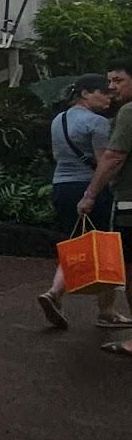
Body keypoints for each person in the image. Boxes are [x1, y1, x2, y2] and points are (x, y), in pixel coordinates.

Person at [39, 74, 124, 327]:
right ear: (86, 94)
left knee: (75, 242)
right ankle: (107, 311)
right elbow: (104, 162)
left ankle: (54, 292)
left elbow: (57, 155)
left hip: (62, 185)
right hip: (89, 187)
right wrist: (95, 192)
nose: (109, 98)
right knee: (105, 245)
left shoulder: (59, 119)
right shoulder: (98, 123)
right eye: (103, 93)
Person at [75, 58, 132, 352]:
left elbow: (113, 157)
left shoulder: (129, 112)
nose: (111, 87)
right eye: (109, 81)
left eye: (118, 80)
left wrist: (90, 194)